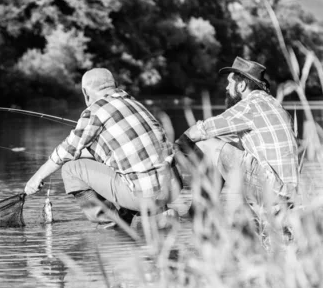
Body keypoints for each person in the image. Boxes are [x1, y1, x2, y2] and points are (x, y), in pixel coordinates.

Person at [24, 68, 182, 228]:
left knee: (70, 169)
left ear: (86, 94)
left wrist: (36, 178)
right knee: (106, 165)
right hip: (173, 187)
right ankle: (157, 213)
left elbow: (66, 151)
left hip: (145, 194)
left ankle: (113, 223)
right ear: (116, 85)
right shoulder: (134, 103)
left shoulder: (96, 111)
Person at [176, 57, 299, 227]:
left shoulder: (251, 105)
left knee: (206, 145)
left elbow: (202, 130)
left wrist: (176, 152)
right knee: (220, 147)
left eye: (229, 82)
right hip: (286, 194)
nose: (227, 87)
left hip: (270, 190)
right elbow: (234, 142)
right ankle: (201, 212)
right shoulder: (274, 105)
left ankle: (199, 213)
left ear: (241, 85)